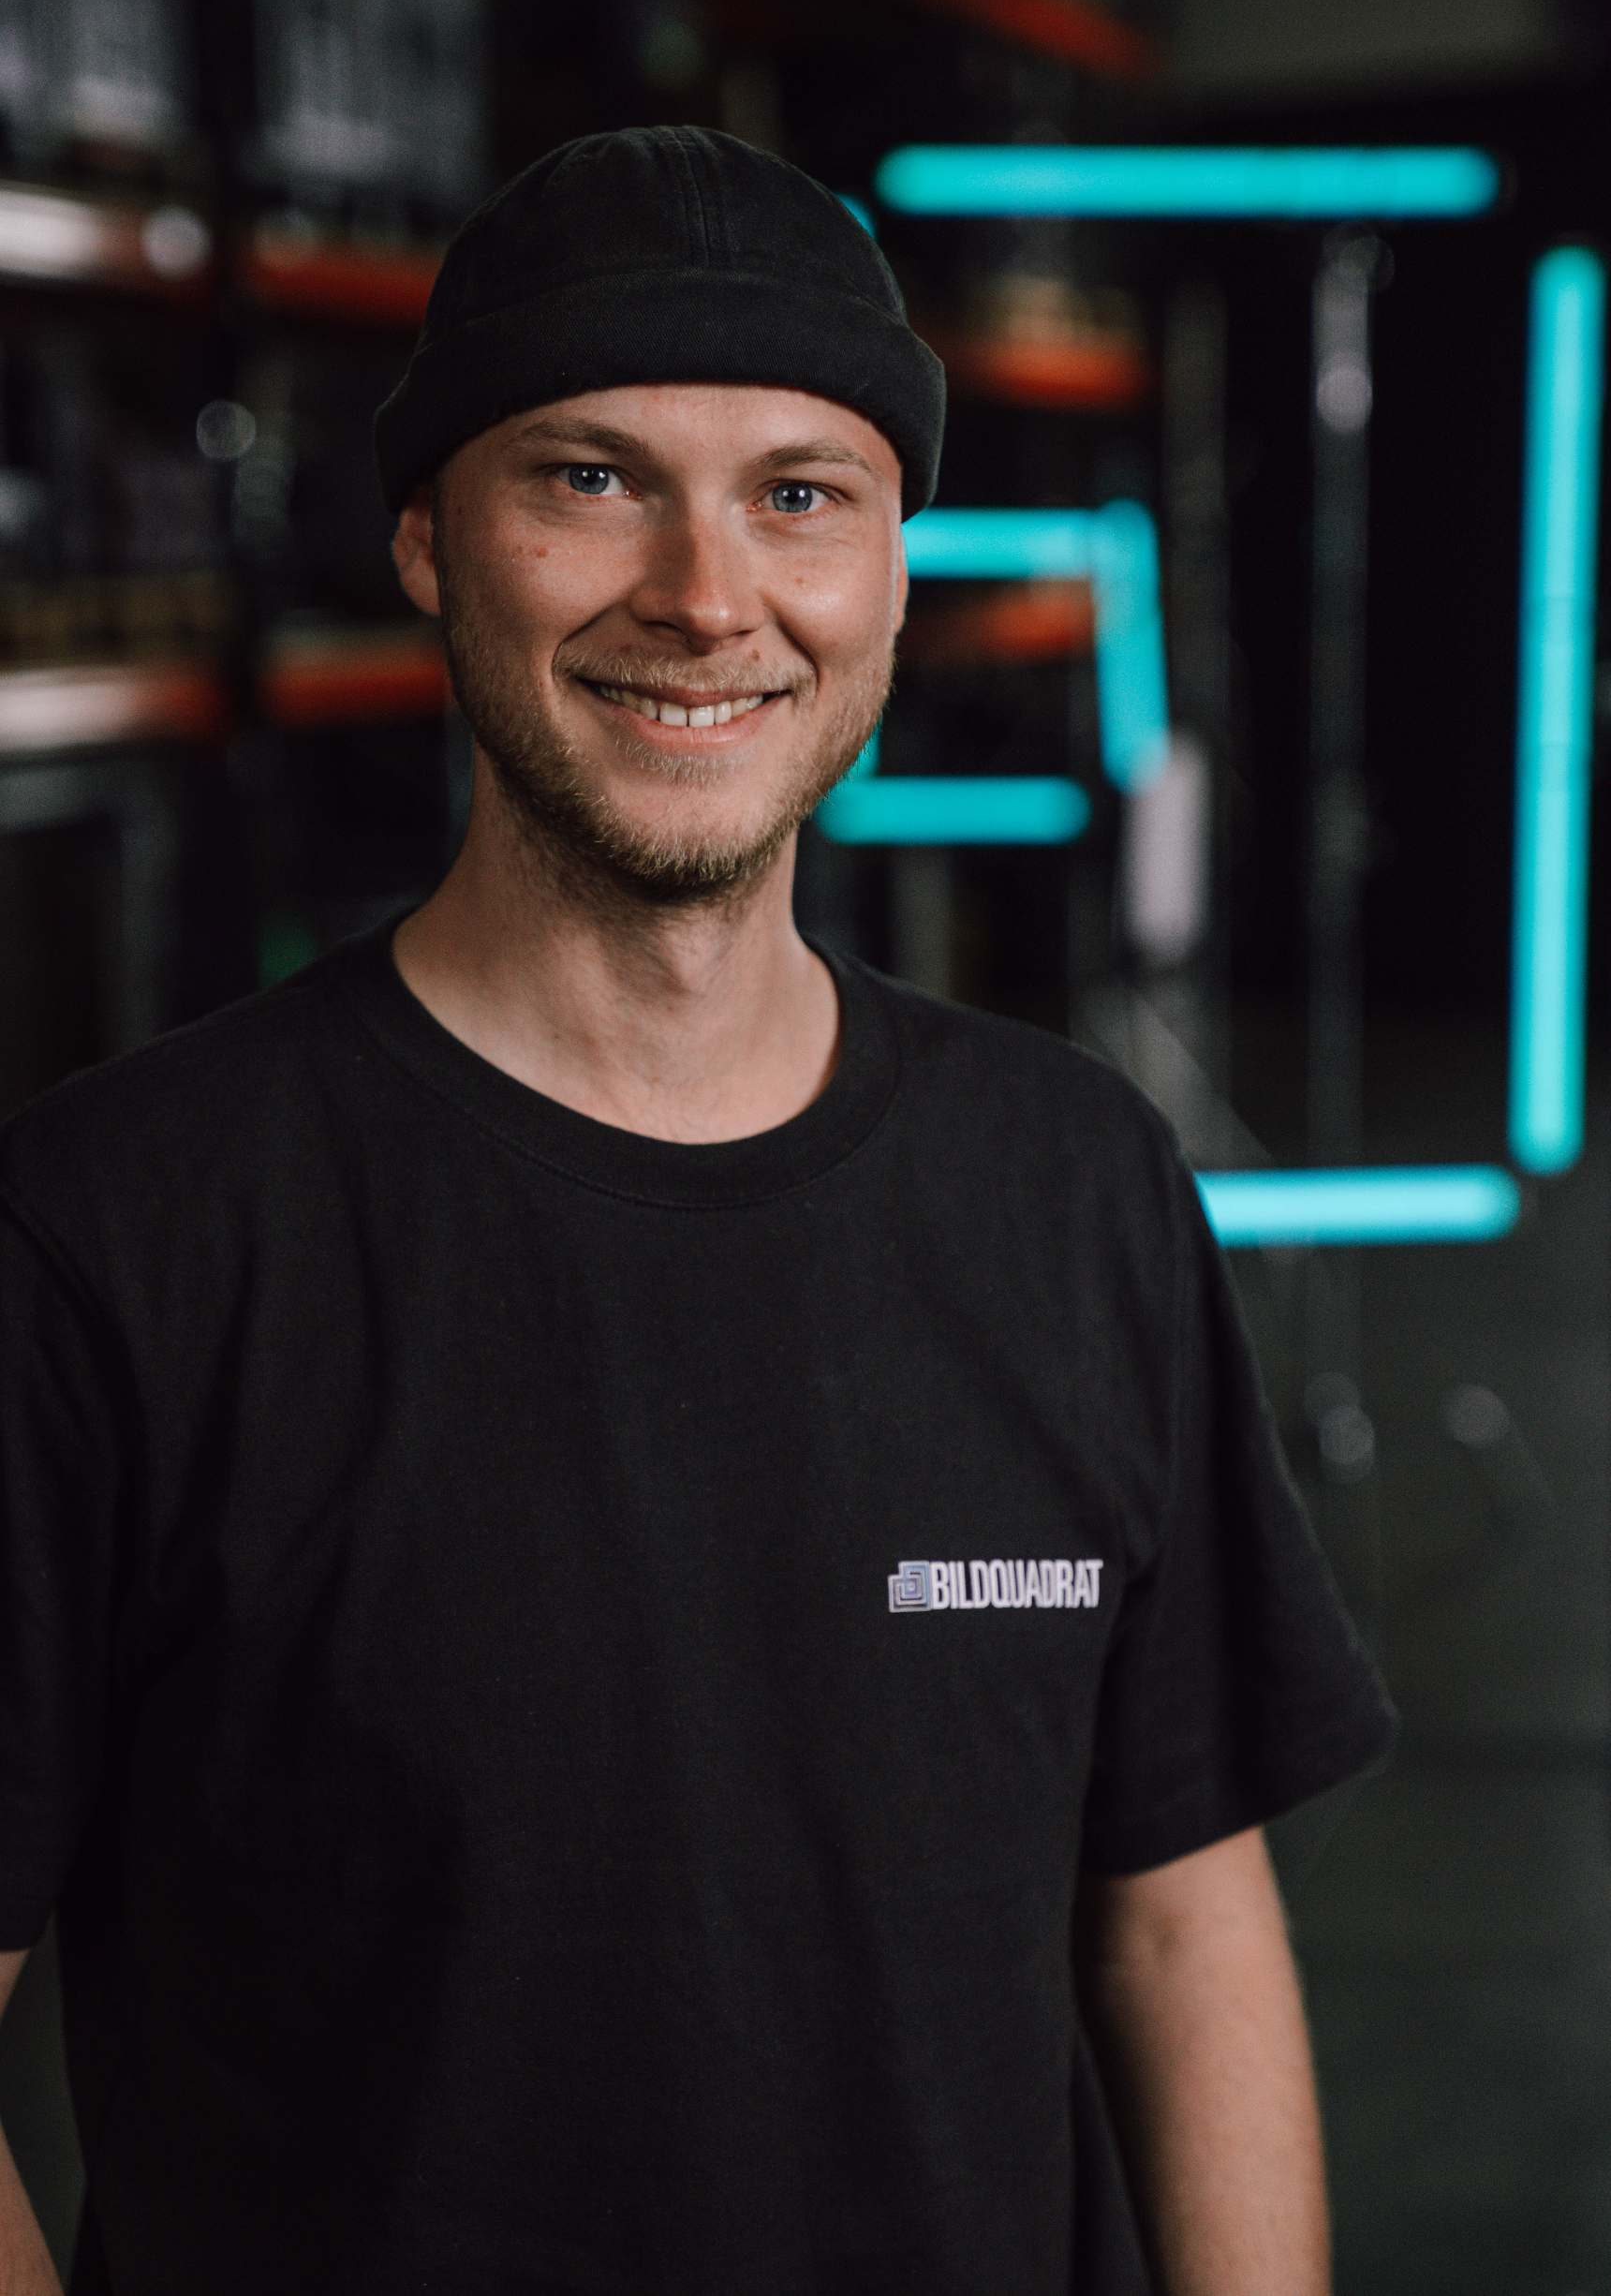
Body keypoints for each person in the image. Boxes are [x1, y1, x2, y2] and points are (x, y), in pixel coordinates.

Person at [0, 126, 1393, 2296]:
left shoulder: (1075, 1179)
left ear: (894, 577)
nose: (703, 593)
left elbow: (1177, 1908)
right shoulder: (115, 1239)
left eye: (799, 493)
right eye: (586, 476)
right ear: (423, 542)